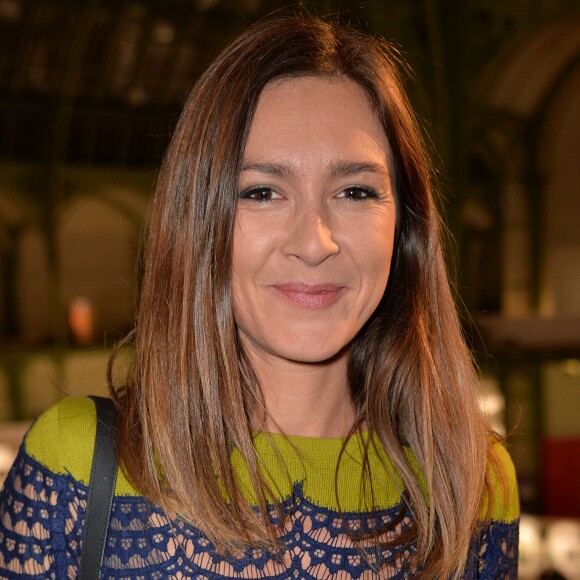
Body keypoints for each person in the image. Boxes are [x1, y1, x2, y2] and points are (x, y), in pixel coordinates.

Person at [0, 12, 519, 578]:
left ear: (406, 226)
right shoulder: (76, 467)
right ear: (200, 222)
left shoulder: (474, 484)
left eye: (355, 190)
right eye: (264, 192)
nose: (314, 242)